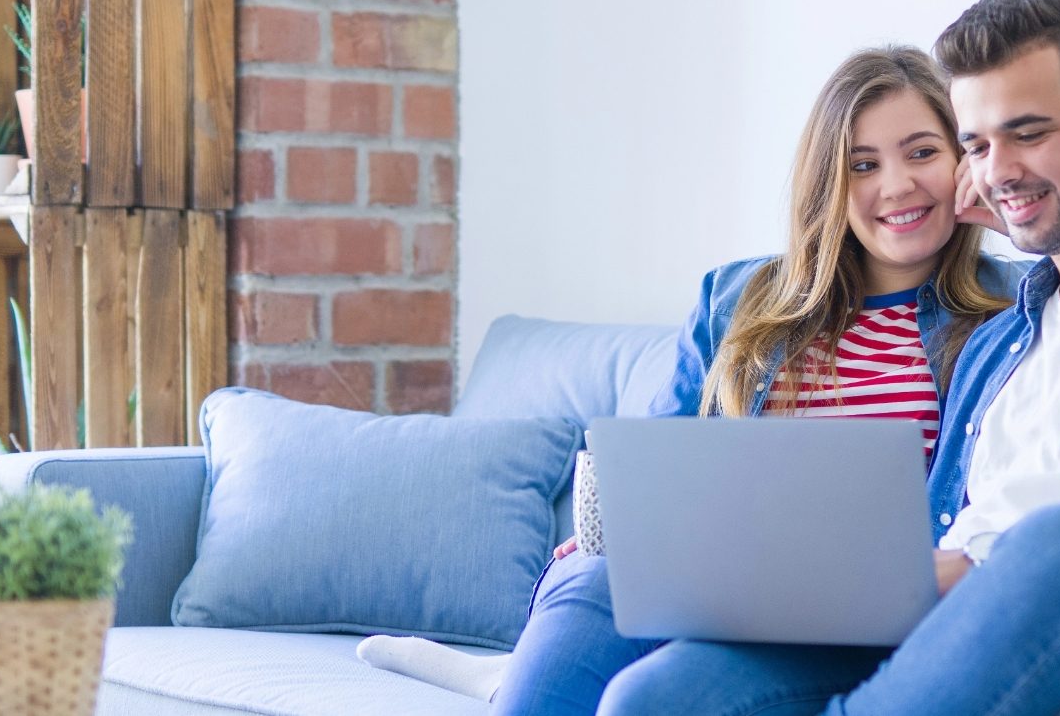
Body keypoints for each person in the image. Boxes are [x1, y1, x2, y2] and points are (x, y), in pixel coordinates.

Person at [592, 0, 1060, 716]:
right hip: (928, 627)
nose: (998, 168)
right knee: (650, 696)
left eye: (1029, 132)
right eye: (976, 144)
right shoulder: (998, 336)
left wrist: (980, 566)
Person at [355, 45, 1022, 708]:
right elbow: (664, 456)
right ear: (830, 181)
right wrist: (625, 527)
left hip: (875, 610)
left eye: (923, 152)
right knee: (590, 578)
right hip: (727, 585)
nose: (897, 184)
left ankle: (514, 675)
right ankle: (521, 676)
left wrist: (1013, 222)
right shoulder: (742, 298)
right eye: (863, 164)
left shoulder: (1018, 308)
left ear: (966, 159)